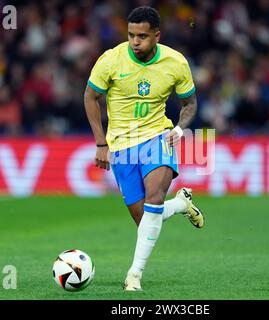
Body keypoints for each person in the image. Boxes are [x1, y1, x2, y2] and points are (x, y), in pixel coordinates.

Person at [84, 6, 204, 291]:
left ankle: (134, 276)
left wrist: (178, 128)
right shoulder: (111, 60)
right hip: (121, 145)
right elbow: (90, 97)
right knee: (147, 218)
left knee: (153, 199)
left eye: (142, 36)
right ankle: (180, 204)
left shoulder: (176, 63)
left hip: (157, 138)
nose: (135, 42)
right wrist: (101, 143)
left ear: (157, 36)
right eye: (130, 35)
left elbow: (190, 103)